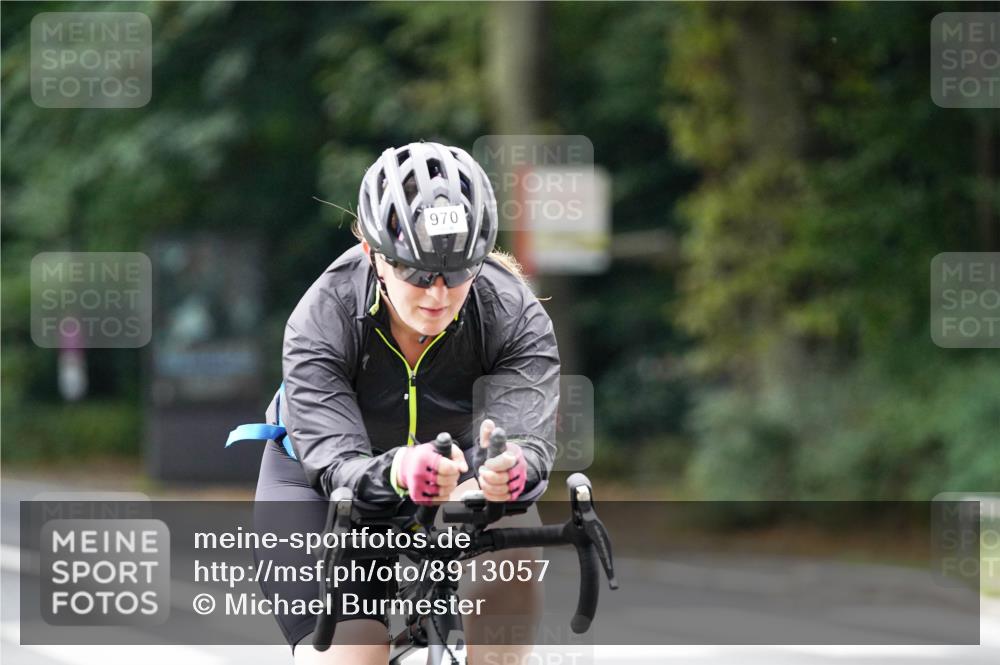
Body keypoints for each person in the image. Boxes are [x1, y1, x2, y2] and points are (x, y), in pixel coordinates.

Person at [251, 141, 561, 664]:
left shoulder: (511, 310)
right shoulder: (321, 318)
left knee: (513, 553)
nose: (437, 294)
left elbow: (526, 440)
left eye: (457, 272)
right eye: (417, 274)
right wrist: (398, 471)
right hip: (323, 484)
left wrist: (511, 470)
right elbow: (335, 464)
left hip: (456, 469)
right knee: (353, 656)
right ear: (374, 255)